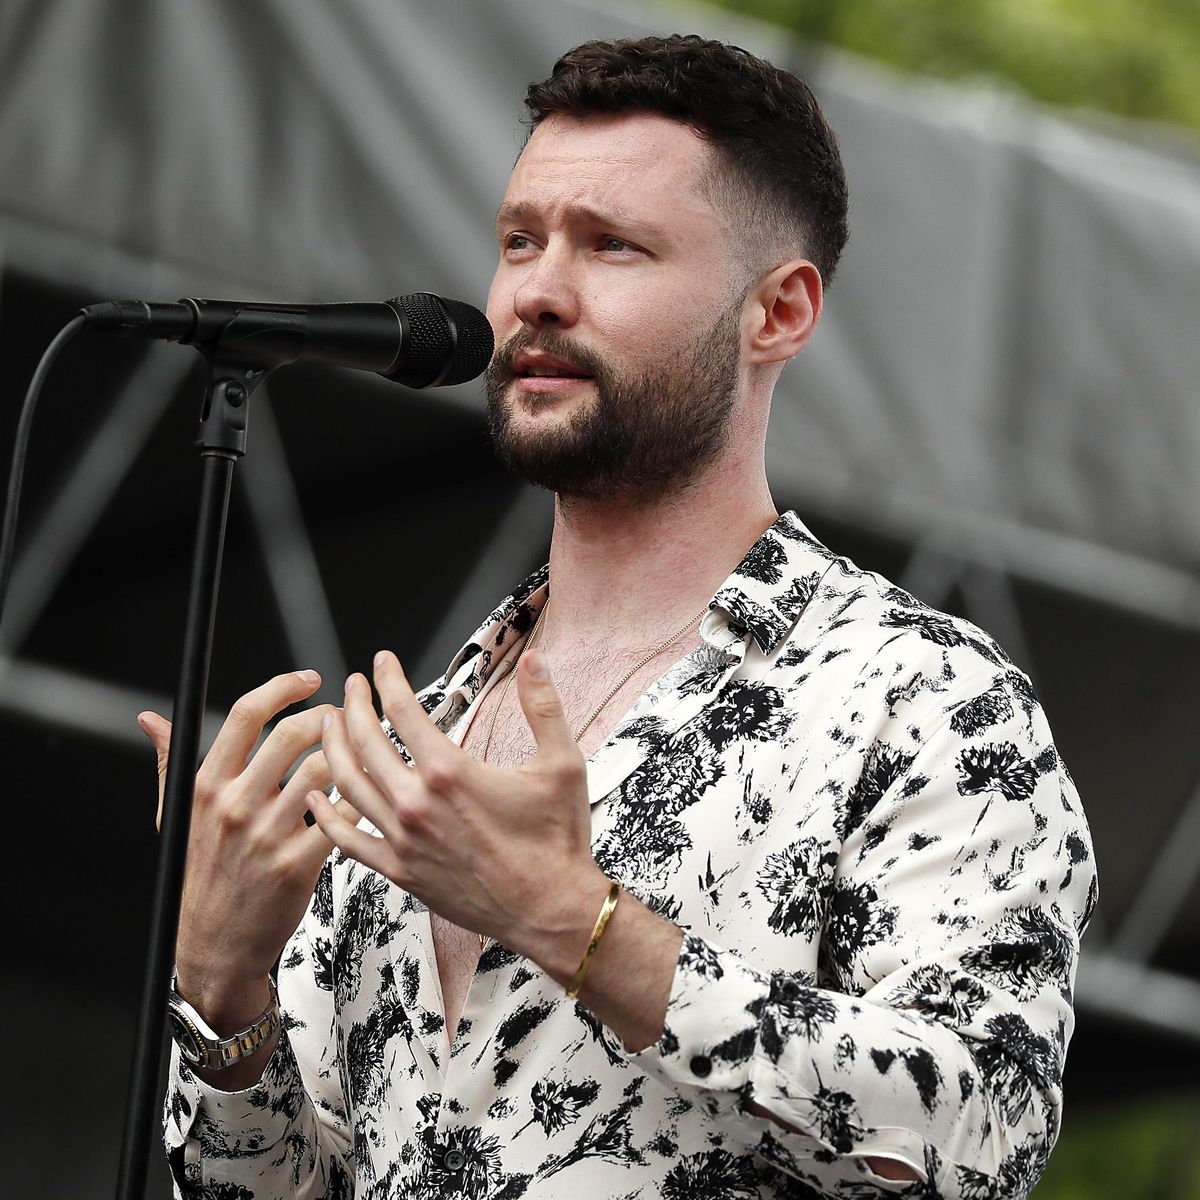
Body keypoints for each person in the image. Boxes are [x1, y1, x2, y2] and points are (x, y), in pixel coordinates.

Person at [146, 34, 1096, 1200]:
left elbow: (984, 1129)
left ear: (778, 311)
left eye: (612, 245)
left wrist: (572, 920)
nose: (537, 292)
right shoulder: (414, 747)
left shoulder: (925, 700)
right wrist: (223, 999)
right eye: (519, 240)